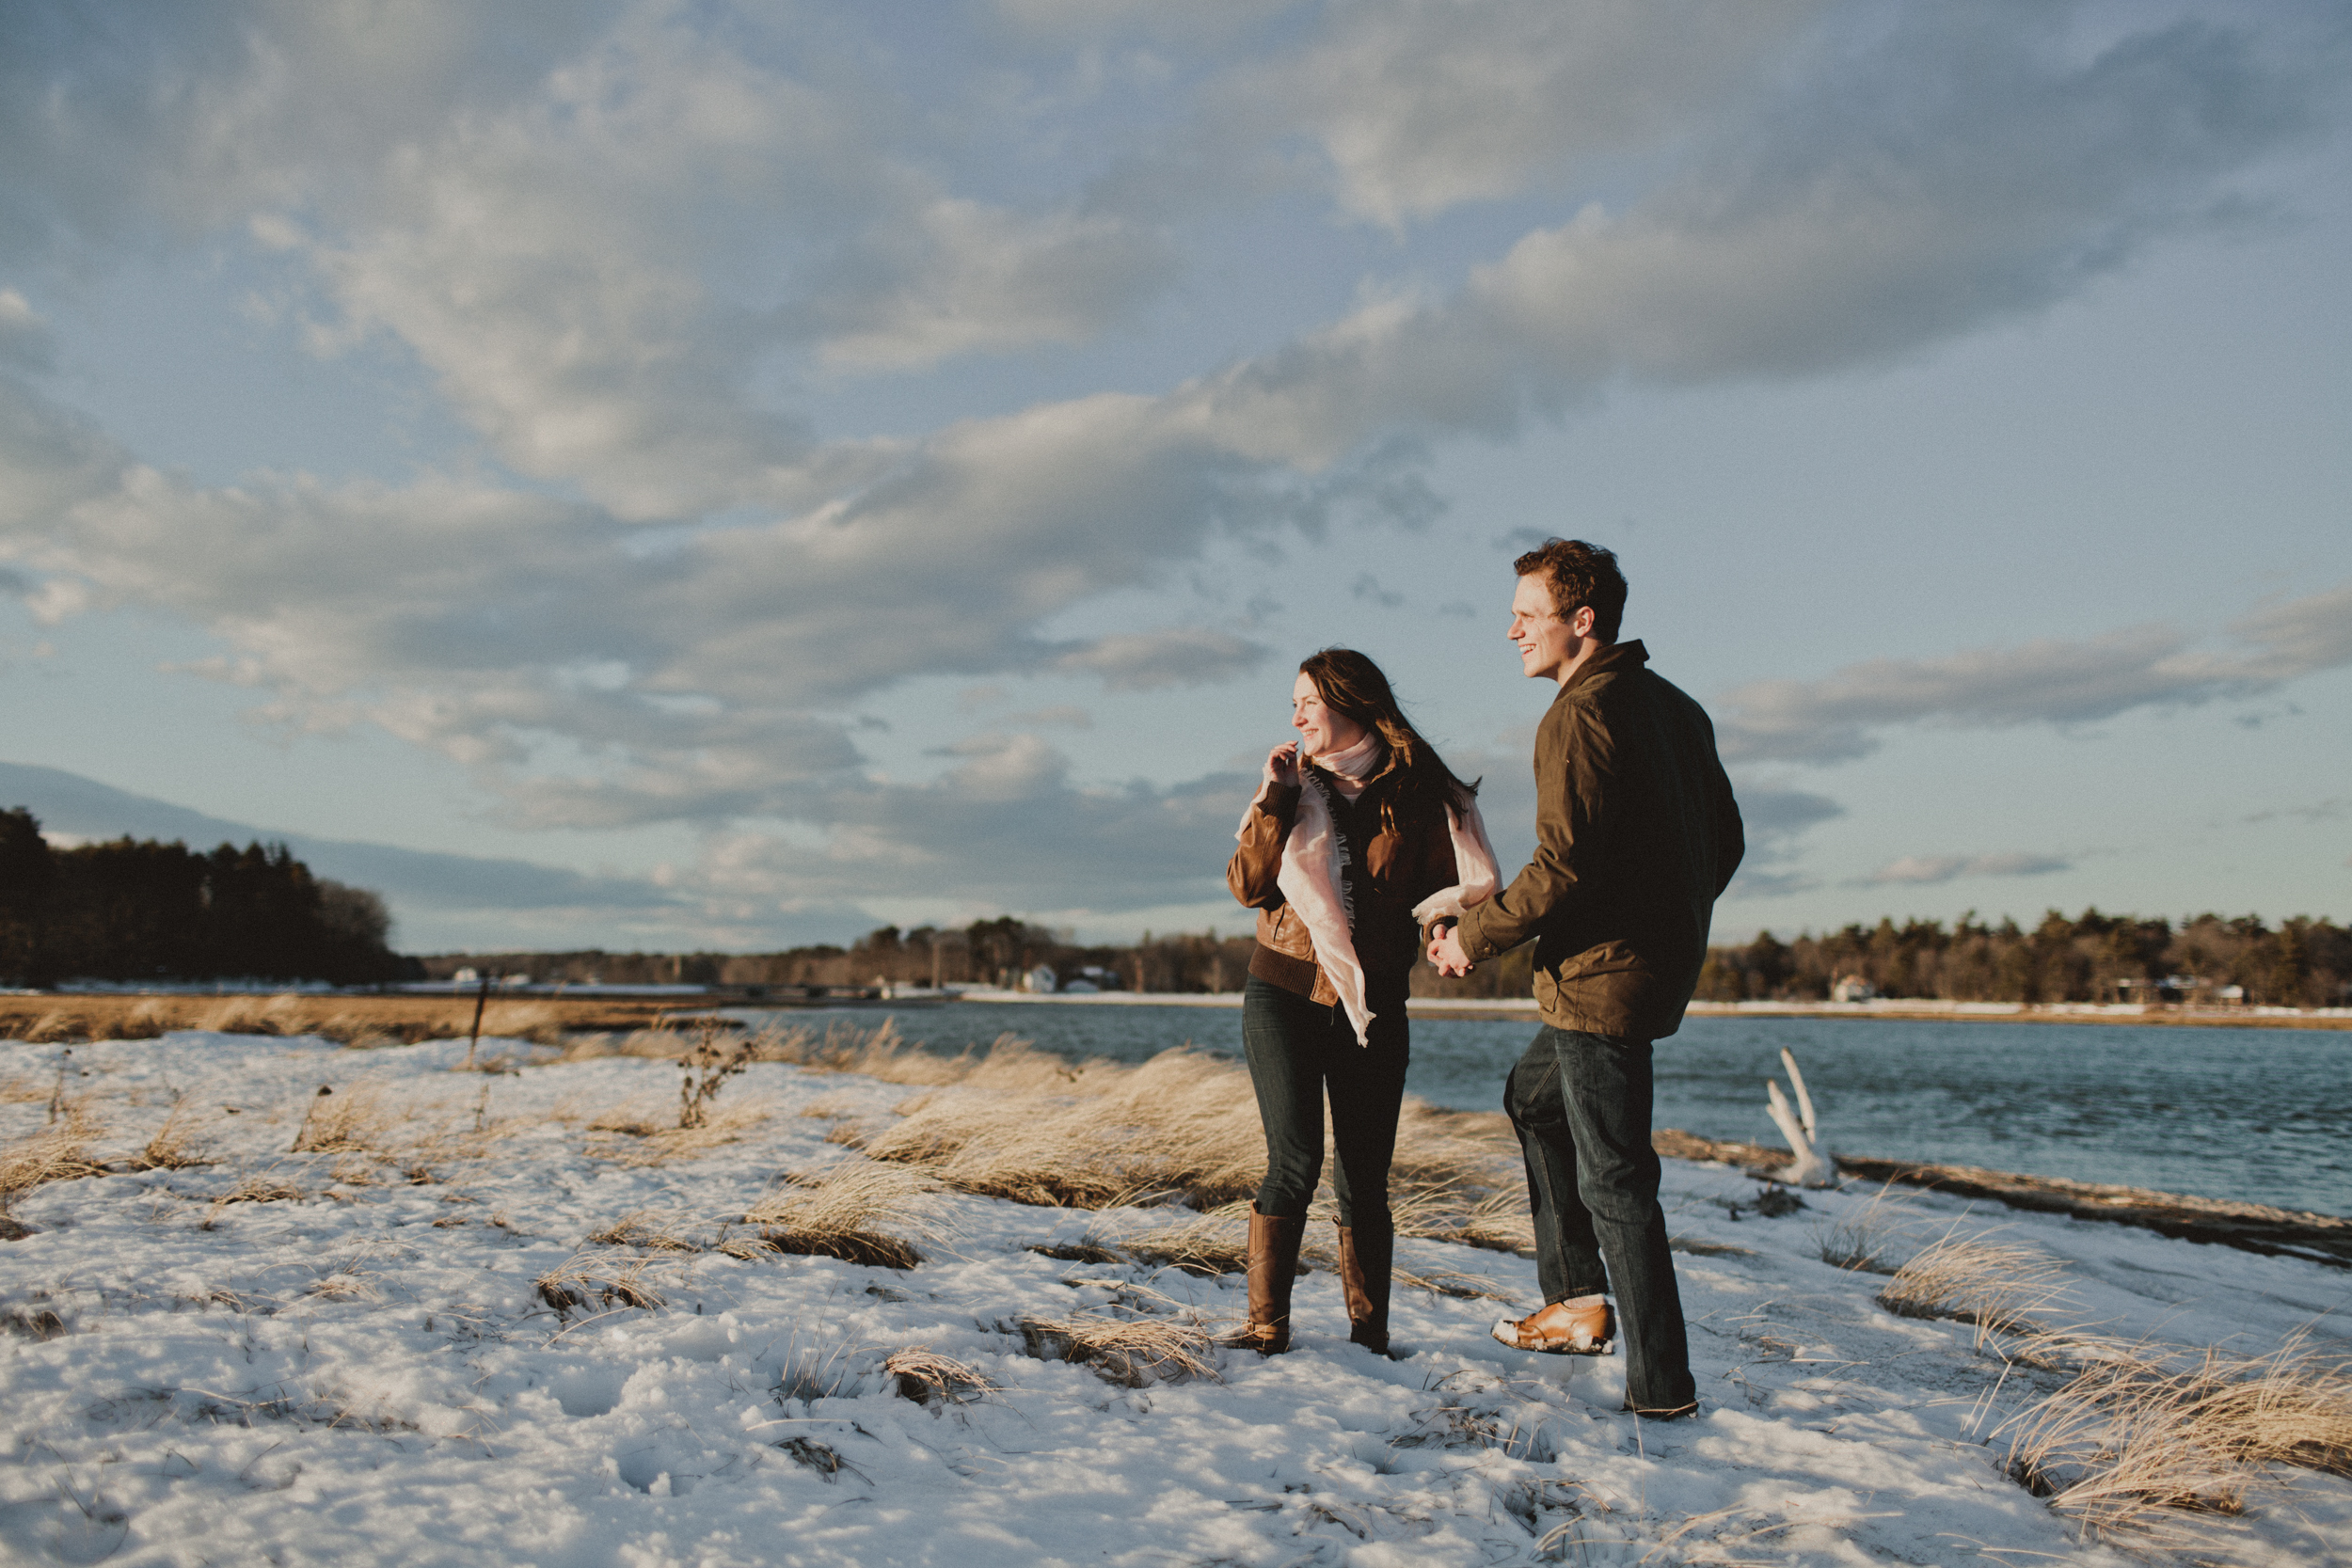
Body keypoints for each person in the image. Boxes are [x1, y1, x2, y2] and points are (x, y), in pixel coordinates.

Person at [1426, 539, 1743, 1419]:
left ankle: (1662, 1391)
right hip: (1632, 971)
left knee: (1616, 1180)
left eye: (1527, 617)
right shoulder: (1677, 708)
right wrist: (1665, 923)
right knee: (1533, 1099)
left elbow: (1561, 868)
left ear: (1583, 619)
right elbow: (1725, 845)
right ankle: (1575, 1301)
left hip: (1600, 979)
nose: (1512, 631)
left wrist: (1471, 939)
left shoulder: (1577, 713)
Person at [1227, 648, 1498, 1355]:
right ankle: (1264, 1330)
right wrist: (1277, 797)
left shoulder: (1421, 792)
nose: (1296, 716)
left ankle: (1368, 1337)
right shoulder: (1291, 784)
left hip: (1376, 1005)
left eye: (1308, 701)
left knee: (1365, 1176)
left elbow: (1446, 891)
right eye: (1293, 704)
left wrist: (1447, 934)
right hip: (1283, 991)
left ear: (1351, 703)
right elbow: (1249, 885)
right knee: (1295, 1159)